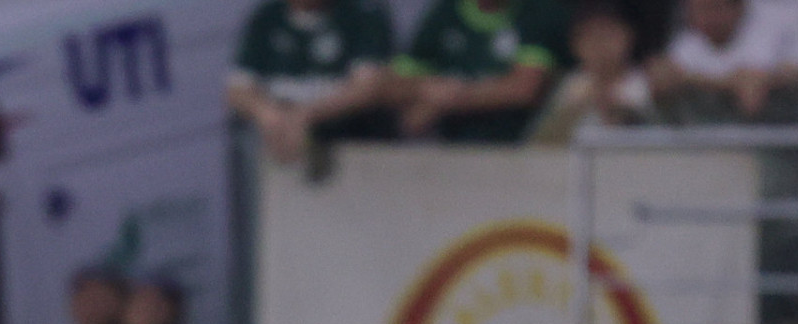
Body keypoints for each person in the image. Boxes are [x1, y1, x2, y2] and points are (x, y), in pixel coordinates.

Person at [227, 0, 396, 165]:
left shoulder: (362, 14)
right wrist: (268, 115)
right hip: (276, 152)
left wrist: (306, 116)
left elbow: (367, 87)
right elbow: (238, 89)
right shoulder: (266, 17)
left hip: (350, 150)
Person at [392, 0, 571, 141]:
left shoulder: (537, 10)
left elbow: (524, 88)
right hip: (449, 144)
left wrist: (454, 97)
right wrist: (428, 94)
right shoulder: (445, 12)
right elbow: (402, 82)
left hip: (518, 142)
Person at [649, 0, 798, 122]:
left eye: (714, 8)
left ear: (738, 8)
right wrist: (727, 82)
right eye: (698, 11)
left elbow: (751, 98)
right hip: (711, 149)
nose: (706, 18)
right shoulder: (690, 42)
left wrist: (690, 80)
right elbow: (660, 81)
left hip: (772, 145)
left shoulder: (764, 32)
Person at [529, 0, 658, 143]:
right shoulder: (570, 85)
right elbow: (540, 143)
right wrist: (576, 108)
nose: (600, 44)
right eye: (590, 35)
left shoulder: (648, 81)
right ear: (575, 44)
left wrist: (620, 112)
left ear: (630, 36)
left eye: (609, 34)